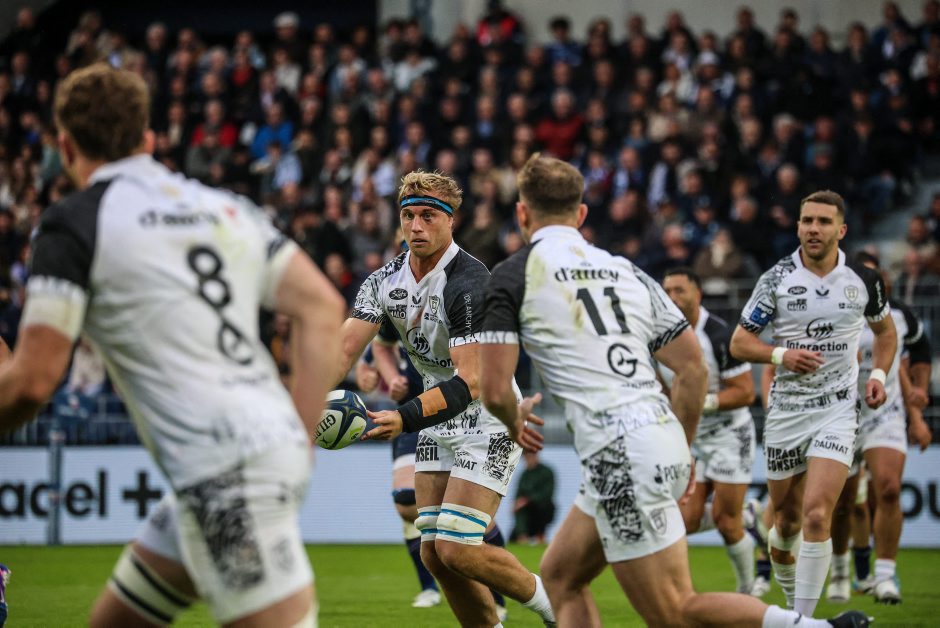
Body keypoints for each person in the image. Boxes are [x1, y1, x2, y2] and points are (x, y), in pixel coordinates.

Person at [0, 64, 347, 627]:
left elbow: (32, 382)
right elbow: (323, 308)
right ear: (148, 137)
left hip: (223, 475)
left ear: (64, 147)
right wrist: (300, 438)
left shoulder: (73, 224)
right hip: (255, 449)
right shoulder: (224, 207)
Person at [479, 154, 871, 628]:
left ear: (521, 213)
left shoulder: (512, 275)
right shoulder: (626, 269)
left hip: (617, 452)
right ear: (581, 214)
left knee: (675, 609)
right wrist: (681, 448)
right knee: (560, 576)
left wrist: (514, 421)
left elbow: (495, 389)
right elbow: (693, 368)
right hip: (661, 436)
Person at [332, 170, 556, 627]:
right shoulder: (383, 281)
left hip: (489, 416)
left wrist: (404, 417)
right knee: (434, 553)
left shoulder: (469, 281)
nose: (415, 226)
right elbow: (343, 350)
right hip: (438, 417)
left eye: (428, 216)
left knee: (458, 547)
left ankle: (559, 608)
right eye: (408, 216)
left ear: (451, 220)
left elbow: (472, 382)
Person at [731, 189, 897, 617]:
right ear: (797, 226)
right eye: (807, 221)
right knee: (785, 524)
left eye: (823, 222)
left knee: (818, 515)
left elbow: (886, 333)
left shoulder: (863, 280)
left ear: (841, 230)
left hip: (837, 410)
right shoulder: (776, 279)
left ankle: (802, 620)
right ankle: (794, 609)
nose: (813, 229)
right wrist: (780, 355)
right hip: (786, 412)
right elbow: (739, 342)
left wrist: (877, 376)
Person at [357, 326, 513, 617]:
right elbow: (372, 355)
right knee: (406, 500)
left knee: (465, 518)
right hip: (408, 417)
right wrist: (386, 379)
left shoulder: (454, 310)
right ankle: (429, 587)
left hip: (460, 413)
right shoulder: (397, 310)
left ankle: (497, 596)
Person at [826, 251, 933, 605]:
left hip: (884, 411)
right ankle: (840, 572)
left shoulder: (898, 315)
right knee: (843, 503)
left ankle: (885, 576)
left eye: (874, 277)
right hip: (841, 413)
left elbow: (917, 354)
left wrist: (917, 406)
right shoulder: (830, 308)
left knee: (888, 488)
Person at [660, 267, 758, 594]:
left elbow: (746, 392)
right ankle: (749, 515)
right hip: (692, 438)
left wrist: (700, 402)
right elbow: (665, 389)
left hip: (731, 434)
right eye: (667, 291)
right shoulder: (658, 336)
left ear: (697, 294)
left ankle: (747, 588)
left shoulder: (718, 334)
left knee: (727, 523)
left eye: (680, 290)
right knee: (686, 521)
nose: (672, 298)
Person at [512, 450, 556, 545]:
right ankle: (522, 537)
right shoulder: (524, 475)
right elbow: (518, 496)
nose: (529, 459)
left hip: (542, 510)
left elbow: (547, 494)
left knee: (543, 507)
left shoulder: (546, 472)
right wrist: (516, 504)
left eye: (531, 455)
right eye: (526, 456)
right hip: (527, 513)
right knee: (512, 537)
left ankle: (541, 536)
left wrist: (527, 500)